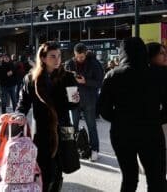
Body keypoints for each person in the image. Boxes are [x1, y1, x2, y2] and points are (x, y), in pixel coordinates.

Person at [98, 38, 167, 191]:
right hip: (151, 132)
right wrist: (156, 118)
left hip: (122, 133)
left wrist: (119, 118)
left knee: (129, 178)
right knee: (156, 178)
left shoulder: (112, 75)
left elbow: (103, 110)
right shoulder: (158, 74)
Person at [17, 41, 79, 191]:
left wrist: (76, 100)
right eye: (53, 56)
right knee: (43, 167)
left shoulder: (68, 77)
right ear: (43, 58)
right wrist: (20, 114)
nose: (58, 59)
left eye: (59, 56)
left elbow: (73, 105)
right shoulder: (31, 79)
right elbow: (23, 102)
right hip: (42, 129)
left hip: (62, 128)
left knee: (59, 168)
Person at [65, 43, 103, 161]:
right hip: (73, 99)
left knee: (92, 126)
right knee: (71, 126)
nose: (79, 59)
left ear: (86, 54)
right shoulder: (69, 63)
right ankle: (69, 150)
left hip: (89, 100)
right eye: (77, 56)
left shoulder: (94, 64)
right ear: (74, 54)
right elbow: (63, 81)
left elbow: (99, 82)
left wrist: (85, 81)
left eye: (82, 57)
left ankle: (95, 150)